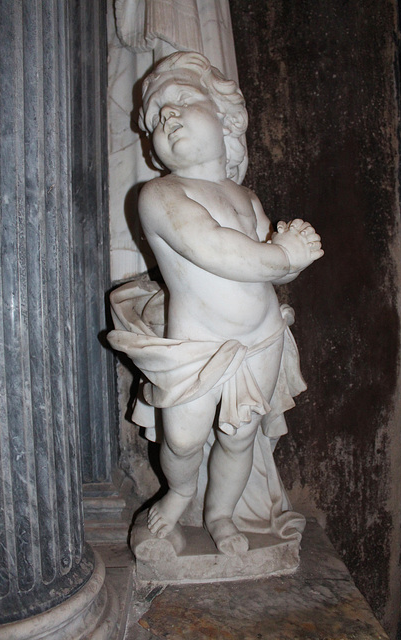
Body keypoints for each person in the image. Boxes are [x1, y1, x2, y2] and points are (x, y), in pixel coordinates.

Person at [115, 51, 323, 556]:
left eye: (182, 101)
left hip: (261, 339)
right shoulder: (159, 195)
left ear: (226, 119)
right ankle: (180, 490)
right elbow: (217, 250)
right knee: (183, 440)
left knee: (239, 436)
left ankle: (221, 513)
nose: (167, 116)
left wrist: (294, 256)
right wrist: (281, 255)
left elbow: (272, 269)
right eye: (156, 116)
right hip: (197, 348)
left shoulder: (246, 197)